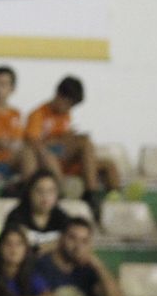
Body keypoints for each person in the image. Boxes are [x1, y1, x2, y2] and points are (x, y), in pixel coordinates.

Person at [24, 75, 121, 215]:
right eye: (67, 104)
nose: (68, 109)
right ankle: (90, 195)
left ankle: (114, 201)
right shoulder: (37, 114)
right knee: (84, 143)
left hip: (66, 159)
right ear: (58, 95)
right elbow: (33, 142)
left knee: (109, 165)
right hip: (48, 160)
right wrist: (59, 141)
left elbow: (64, 138)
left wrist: (70, 138)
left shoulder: (66, 115)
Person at [0, 169, 71, 255]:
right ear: (30, 193)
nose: (45, 196)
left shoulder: (63, 218)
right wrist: (53, 245)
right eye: (39, 191)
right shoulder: (16, 217)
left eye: (50, 191)